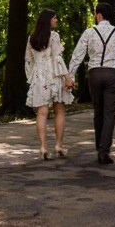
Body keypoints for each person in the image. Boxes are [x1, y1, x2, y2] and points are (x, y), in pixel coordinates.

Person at [69, 2, 115, 165]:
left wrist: (71, 75)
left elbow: (77, 55)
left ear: (98, 15)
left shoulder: (89, 32)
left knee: (98, 111)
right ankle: (104, 151)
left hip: (95, 74)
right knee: (109, 113)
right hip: (113, 74)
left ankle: (99, 147)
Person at [25, 9, 75, 160]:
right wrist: (68, 77)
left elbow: (28, 61)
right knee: (59, 111)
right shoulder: (54, 36)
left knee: (41, 113)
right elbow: (57, 59)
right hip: (54, 76)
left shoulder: (31, 38)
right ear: (48, 20)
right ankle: (59, 145)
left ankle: (43, 147)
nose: (56, 20)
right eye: (54, 18)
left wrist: (31, 79)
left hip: (39, 77)